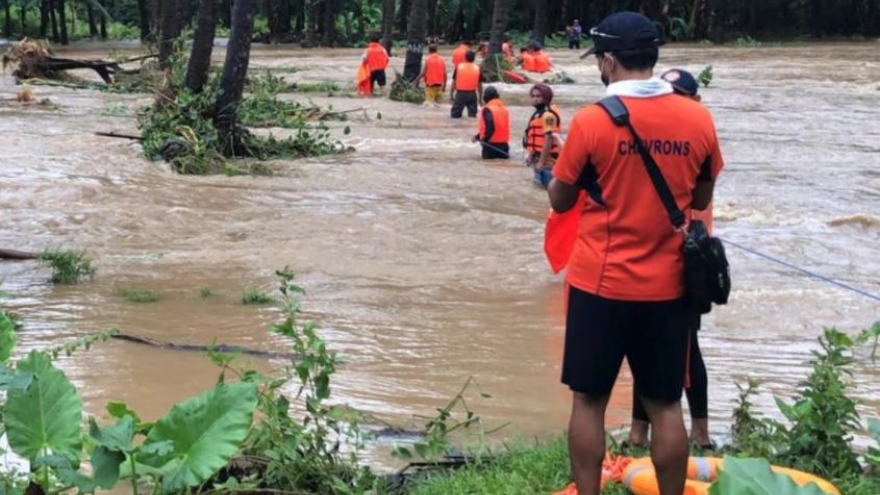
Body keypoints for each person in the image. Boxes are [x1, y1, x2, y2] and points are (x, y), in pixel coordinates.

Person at [547, 11, 725, 495]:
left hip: (599, 284)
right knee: (667, 404)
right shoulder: (697, 117)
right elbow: (702, 198)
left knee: (589, 402)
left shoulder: (590, 122)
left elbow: (559, 199)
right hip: (669, 286)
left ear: (607, 61)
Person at [627, 67, 713, 452]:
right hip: (649, 252)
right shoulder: (669, 129)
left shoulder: (698, 129)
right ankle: (637, 432)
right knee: (641, 344)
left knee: (686, 347)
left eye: (679, 94)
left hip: (688, 254)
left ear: (694, 100)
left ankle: (700, 432)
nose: (671, 101)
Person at [523, 83, 562, 188]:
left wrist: (541, 162)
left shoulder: (548, 116)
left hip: (548, 164)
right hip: (539, 161)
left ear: (546, 98)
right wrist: (531, 155)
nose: (535, 99)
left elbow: (548, 139)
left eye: (538, 96)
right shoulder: (537, 115)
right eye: (533, 96)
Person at [473, 86, 510, 159]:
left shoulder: (487, 109)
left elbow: (490, 127)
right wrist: (477, 137)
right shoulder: (504, 109)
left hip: (490, 146)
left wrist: (484, 140)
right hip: (504, 146)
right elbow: (497, 126)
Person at [450, 50, 483, 118]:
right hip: (472, 95)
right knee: (472, 116)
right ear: (474, 59)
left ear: (465, 58)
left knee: (455, 116)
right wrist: (480, 98)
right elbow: (480, 85)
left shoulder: (459, 67)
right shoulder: (477, 68)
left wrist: (451, 95)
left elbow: (454, 83)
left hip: (460, 94)